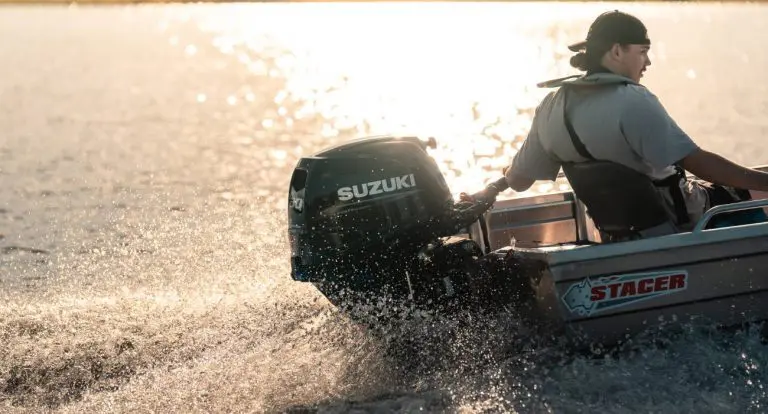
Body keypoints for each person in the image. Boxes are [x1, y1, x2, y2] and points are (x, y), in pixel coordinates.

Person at [501, 10, 768, 230]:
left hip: (622, 232)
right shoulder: (633, 100)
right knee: (753, 193)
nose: (648, 62)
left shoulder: (551, 105)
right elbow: (698, 163)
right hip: (685, 222)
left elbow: (519, 181)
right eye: (642, 51)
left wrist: (502, 178)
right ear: (617, 51)